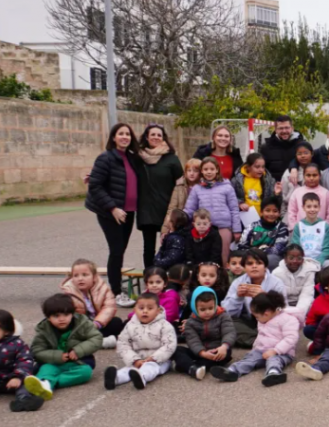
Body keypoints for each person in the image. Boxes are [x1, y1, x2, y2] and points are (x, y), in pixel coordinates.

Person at [86, 123, 142, 307]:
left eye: (127, 134)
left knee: (120, 251)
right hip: (111, 213)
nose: (125, 137)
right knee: (116, 251)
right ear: (113, 137)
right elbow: (95, 186)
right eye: (121, 134)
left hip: (128, 212)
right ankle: (116, 292)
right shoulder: (105, 158)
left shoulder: (133, 158)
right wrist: (112, 208)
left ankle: (117, 287)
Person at [212, 291, 298, 387]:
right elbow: (261, 335)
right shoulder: (263, 319)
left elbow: (291, 338)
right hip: (262, 350)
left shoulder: (288, 319)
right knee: (250, 358)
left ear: (266, 313)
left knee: (274, 360)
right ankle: (233, 371)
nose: (256, 319)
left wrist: (275, 351)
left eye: (257, 317)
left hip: (282, 352)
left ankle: (274, 373)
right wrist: (255, 347)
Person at [103, 293, 177, 391]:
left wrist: (154, 358)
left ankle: (142, 378)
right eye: (141, 308)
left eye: (150, 308)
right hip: (137, 358)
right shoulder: (130, 325)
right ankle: (115, 378)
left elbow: (169, 344)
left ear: (158, 311)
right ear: (135, 309)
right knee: (128, 369)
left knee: (150, 368)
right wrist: (134, 359)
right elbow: (123, 344)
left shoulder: (164, 325)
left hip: (159, 360)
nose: (145, 311)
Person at [133, 125, 183, 268]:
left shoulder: (172, 159)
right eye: (152, 134)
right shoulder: (138, 158)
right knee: (148, 247)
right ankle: (150, 274)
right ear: (147, 137)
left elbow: (180, 185)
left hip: (167, 208)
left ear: (163, 138)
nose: (156, 137)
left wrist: (178, 207)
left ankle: (168, 276)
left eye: (159, 135)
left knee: (170, 244)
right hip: (146, 208)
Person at [31, 294, 103, 393]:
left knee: (86, 372)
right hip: (53, 363)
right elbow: (37, 350)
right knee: (46, 369)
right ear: (48, 317)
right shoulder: (44, 330)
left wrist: (78, 350)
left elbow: (96, 338)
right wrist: (57, 356)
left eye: (66, 315)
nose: (62, 319)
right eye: (56, 316)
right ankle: (43, 384)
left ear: (72, 314)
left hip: (77, 363)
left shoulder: (82, 323)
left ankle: (48, 384)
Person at [221, 249, 288, 348]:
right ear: (244, 267)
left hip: (271, 323)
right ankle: (261, 341)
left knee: (282, 325)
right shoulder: (238, 282)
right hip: (249, 323)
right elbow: (227, 312)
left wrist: (265, 298)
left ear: (265, 266)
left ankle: (259, 341)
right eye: (250, 263)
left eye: (259, 263)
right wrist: (238, 297)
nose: (254, 266)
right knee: (226, 322)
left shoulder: (276, 283)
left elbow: (284, 311)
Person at [184, 157, 241, 264]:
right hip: (204, 228)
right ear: (201, 171)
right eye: (205, 169)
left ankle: (223, 279)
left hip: (223, 227)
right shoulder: (197, 188)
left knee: (223, 257)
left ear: (217, 170)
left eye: (211, 169)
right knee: (207, 258)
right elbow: (189, 209)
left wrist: (236, 230)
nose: (209, 172)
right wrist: (179, 220)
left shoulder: (227, 187)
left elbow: (234, 209)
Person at [172, 286, 235, 381]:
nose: (207, 312)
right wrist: (202, 353)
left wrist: (224, 346)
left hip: (217, 350)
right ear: (194, 307)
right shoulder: (190, 322)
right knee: (176, 350)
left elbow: (229, 332)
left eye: (211, 308)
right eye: (202, 309)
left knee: (226, 355)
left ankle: (191, 366)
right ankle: (193, 367)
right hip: (199, 351)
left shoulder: (223, 316)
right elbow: (193, 340)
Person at [60, 258, 122, 347]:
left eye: (85, 275)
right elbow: (69, 314)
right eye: (76, 275)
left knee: (116, 322)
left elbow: (109, 307)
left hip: (98, 324)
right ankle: (100, 341)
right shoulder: (68, 291)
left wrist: (97, 323)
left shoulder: (103, 288)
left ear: (94, 277)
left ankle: (94, 341)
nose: (80, 279)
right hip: (82, 326)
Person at [0, 310, 48, 412]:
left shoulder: (17, 344)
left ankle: (23, 401)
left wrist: (17, 377)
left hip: (11, 378)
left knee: (27, 383)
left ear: (6, 331)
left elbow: (25, 361)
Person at [237, 196, 288, 270]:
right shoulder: (252, 226)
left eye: (275, 211)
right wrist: (253, 255)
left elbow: (278, 249)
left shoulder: (282, 227)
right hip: (250, 256)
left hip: (270, 259)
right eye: (267, 210)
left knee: (272, 259)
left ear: (279, 213)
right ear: (261, 212)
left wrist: (257, 254)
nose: (271, 214)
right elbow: (241, 246)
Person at [260, 115, 303, 181]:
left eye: (287, 128)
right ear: (276, 130)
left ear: (292, 128)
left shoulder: (302, 146)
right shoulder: (266, 148)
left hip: (297, 188)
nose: (284, 131)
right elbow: (262, 170)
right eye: (281, 128)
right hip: (275, 188)